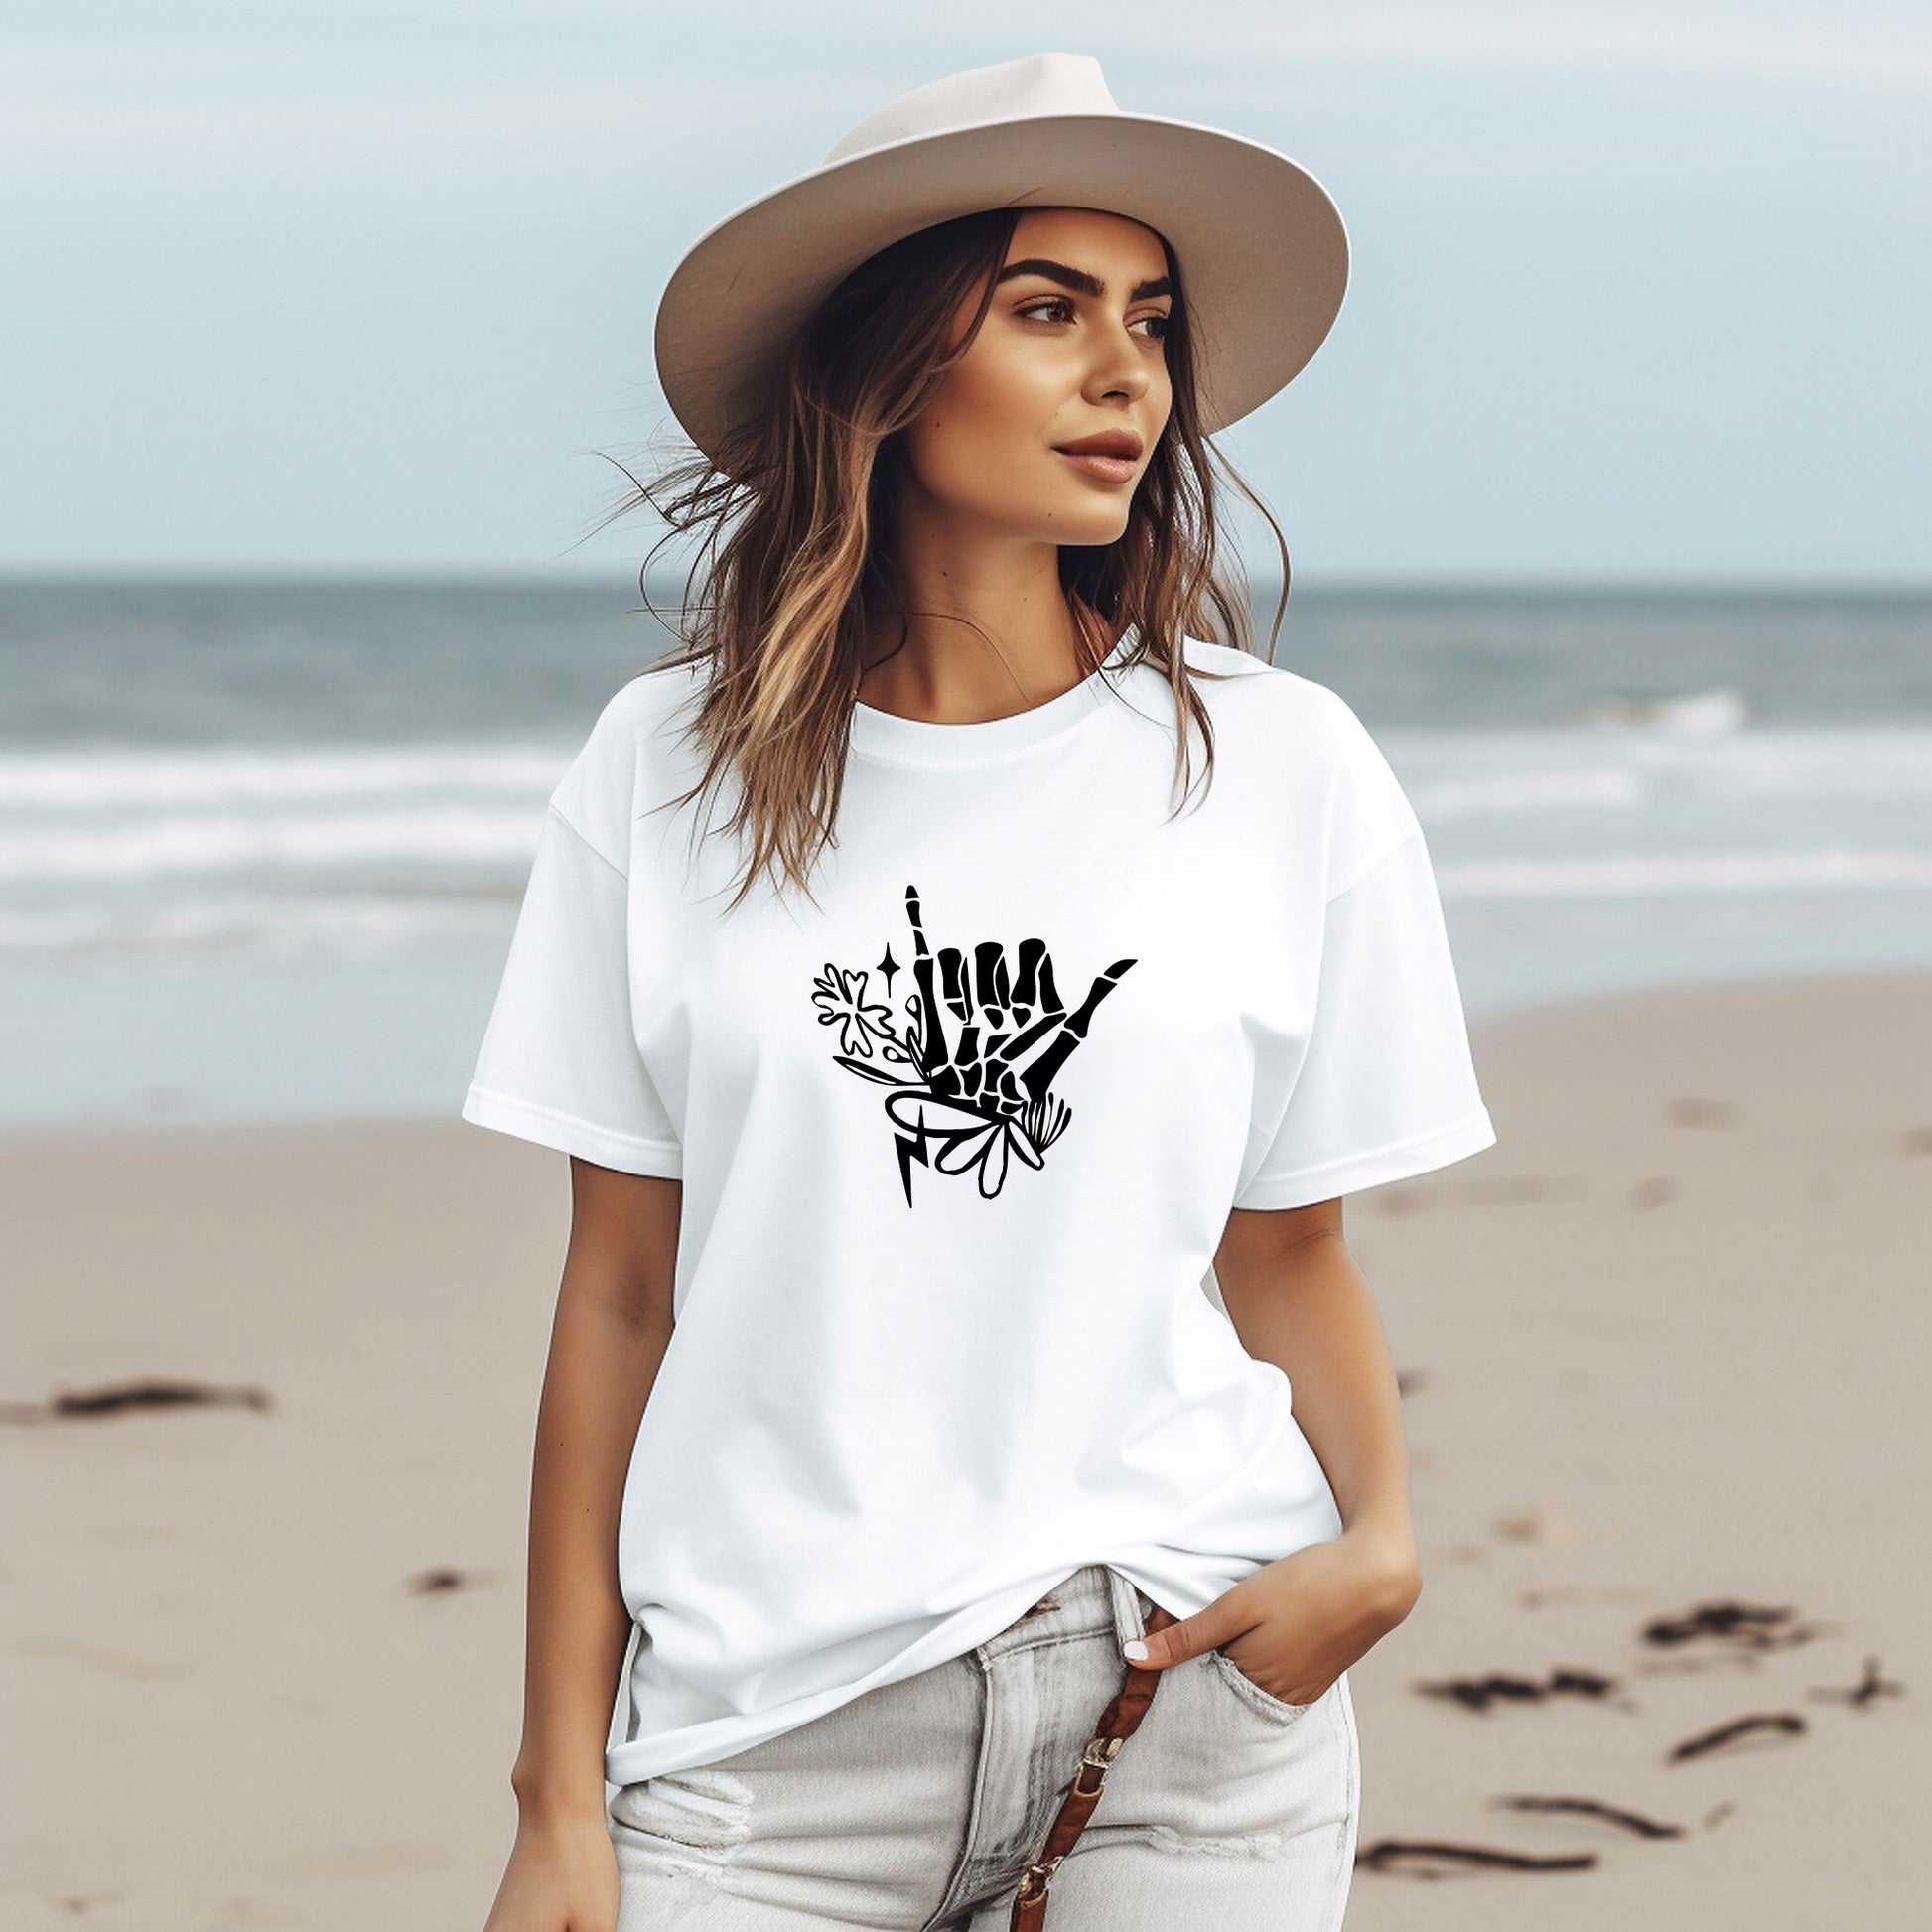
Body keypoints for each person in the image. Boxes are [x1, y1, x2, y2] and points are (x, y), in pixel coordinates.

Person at [464, 51, 1496, 1932]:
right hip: (763, 1741)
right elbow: (617, 1293)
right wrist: (557, 1796)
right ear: (885, 366)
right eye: (1045, 309)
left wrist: (1383, 1545)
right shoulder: (663, 770)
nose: (1127, 374)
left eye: (1151, 321)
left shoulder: (1280, 766)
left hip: (1184, 1700)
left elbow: (1288, 1250)